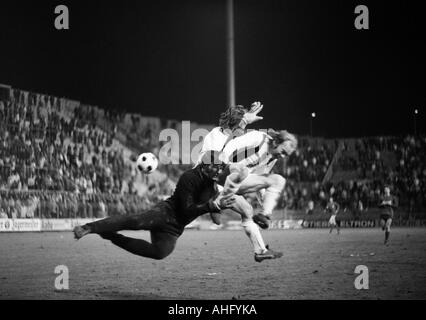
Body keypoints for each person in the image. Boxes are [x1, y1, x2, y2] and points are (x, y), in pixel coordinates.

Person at [73, 151, 282, 262]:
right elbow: (187, 209)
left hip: (175, 229)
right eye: (216, 166)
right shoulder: (189, 177)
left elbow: (215, 216)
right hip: (165, 214)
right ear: (205, 166)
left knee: (160, 253)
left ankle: (111, 235)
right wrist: (212, 206)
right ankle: (90, 227)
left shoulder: (213, 185)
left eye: (220, 166)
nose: (219, 170)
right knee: (136, 221)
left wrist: (219, 207)